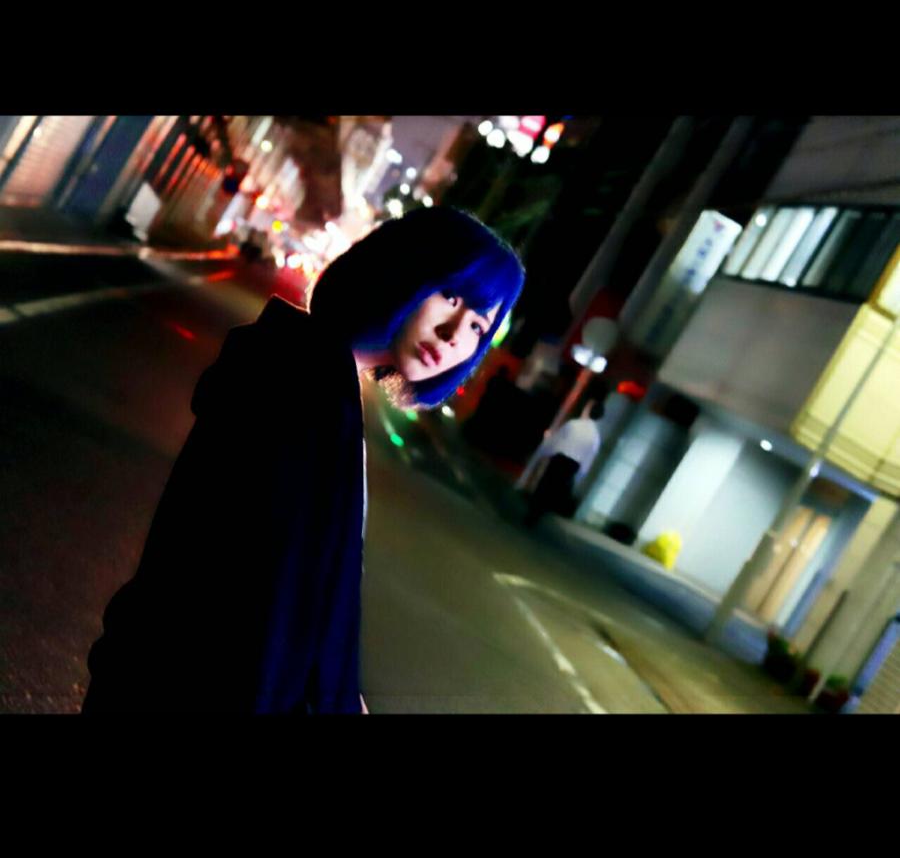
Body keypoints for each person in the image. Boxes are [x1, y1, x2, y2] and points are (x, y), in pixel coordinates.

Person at [81, 207, 525, 713]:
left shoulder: (320, 377)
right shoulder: (303, 385)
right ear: (407, 267)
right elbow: (260, 598)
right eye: (452, 296)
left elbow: (309, 599)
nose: (453, 334)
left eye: (477, 325)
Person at [518, 398, 604, 527]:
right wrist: (580, 475)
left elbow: (557, 442)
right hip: (573, 466)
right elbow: (588, 460)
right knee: (555, 491)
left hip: (560, 460)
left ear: (588, 410)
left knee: (545, 485)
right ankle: (539, 513)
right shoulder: (595, 437)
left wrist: (546, 448)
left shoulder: (574, 425)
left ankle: (532, 513)